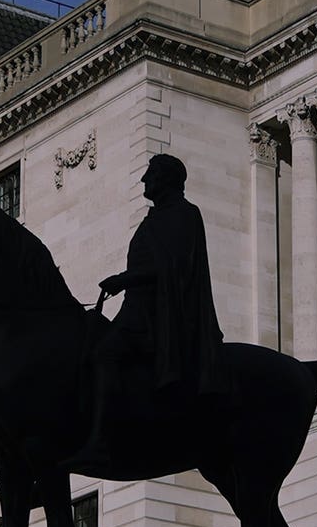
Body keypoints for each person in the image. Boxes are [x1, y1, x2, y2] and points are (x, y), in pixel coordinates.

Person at [72, 154, 228, 473]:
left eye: (150, 174)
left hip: (160, 317)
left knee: (105, 354)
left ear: (166, 179)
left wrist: (123, 279)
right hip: (137, 309)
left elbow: (174, 269)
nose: (144, 180)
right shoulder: (156, 218)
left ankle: (102, 440)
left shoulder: (184, 215)